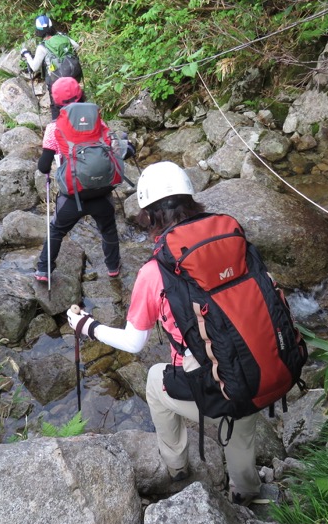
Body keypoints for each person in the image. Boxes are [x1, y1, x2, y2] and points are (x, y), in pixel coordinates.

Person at [66, 161, 262, 506]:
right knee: (242, 421)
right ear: (191, 199)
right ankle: (246, 490)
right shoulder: (233, 239)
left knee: (156, 380)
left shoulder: (155, 271)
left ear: (148, 215)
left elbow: (134, 341)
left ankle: (175, 466)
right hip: (259, 360)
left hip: (213, 377)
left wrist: (87, 326)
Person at [35, 77, 131, 282]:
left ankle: (43, 270)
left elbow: (43, 166)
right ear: (81, 96)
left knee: (57, 230)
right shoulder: (97, 121)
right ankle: (113, 267)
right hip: (101, 192)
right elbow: (113, 150)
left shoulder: (54, 128)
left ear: (56, 102)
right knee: (108, 228)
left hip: (72, 195)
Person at [20, 14, 83, 119]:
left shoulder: (43, 46)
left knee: (56, 105)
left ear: (38, 31)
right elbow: (76, 46)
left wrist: (26, 54)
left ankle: (57, 128)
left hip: (55, 81)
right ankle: (80, 121)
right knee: (76, 99)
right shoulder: (63, 37)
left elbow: (34, 67)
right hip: (73, 77)